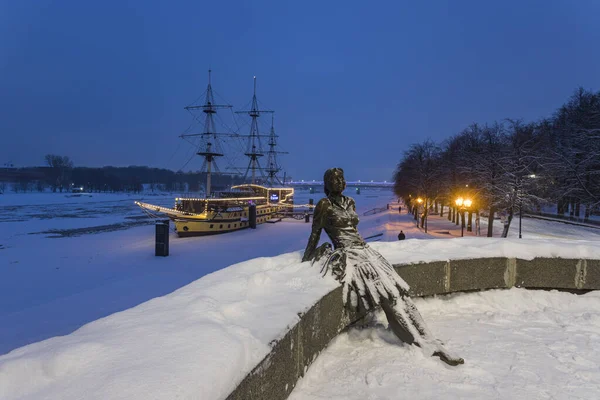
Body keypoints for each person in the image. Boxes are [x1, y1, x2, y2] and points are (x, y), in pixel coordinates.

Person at [302, 167, 463, 366]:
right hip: (351, 257)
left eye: (340, 178)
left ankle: (429, 337)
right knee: (389, 298)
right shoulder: (324, 205)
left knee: (400, 294)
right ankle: (417, 341)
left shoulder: (350, 202)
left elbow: (353, 229)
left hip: (367, 253)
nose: (338, 181)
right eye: (333, 179)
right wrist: (309, 255)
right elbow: (315, 233)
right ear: (326, 184)